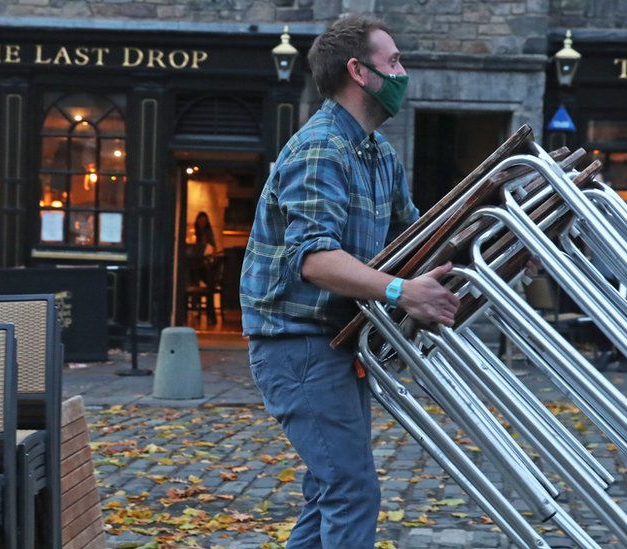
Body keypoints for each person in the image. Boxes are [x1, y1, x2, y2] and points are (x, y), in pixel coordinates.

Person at [239, 14, 459, 548]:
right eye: (395, 62)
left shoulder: (377, 153)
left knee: (331, 490)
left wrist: (500, 242)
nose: (404, 73)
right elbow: (314, 259)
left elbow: (419, 238)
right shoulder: (322, 149)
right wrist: (402, 291)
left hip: (333, 344)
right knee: (350, 490)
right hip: (298, 346)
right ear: (358, 71)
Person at [189, 211, 219, 323]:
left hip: (204, 266)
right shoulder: (194, 233)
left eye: (204, 221)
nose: (202, 223)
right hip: (198, 265)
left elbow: (213, 248)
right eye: (200, 220)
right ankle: (196, 306)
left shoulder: (207, 234)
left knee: (208, 285)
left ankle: (197, 285)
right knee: (194, 271)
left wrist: (210, 255)